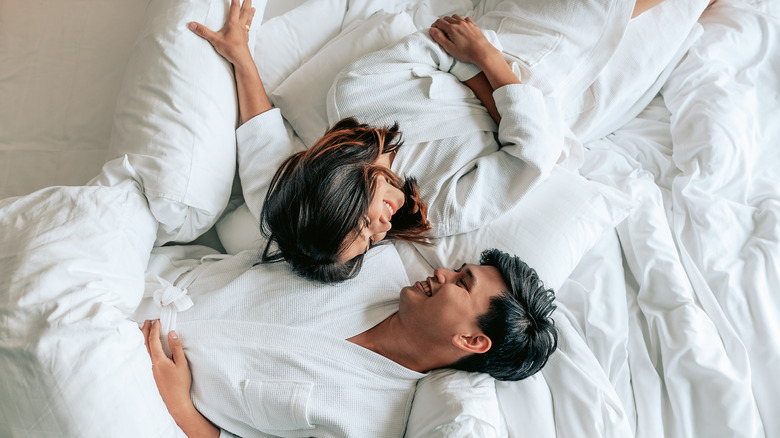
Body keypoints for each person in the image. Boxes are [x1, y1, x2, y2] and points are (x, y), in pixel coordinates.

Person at [188, 0, 642, 283]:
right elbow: (533, 155)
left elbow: (438, 44)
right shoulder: (434, 211)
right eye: (371, 244)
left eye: (364, 228)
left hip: (513, 41)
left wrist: (241, 55)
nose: (382, 233)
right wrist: (486, 69)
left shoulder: (355, 92)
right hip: (569, 92)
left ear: (342, 188)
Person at [139, 246, 558, 438]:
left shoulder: (369, 424)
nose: (445, 272)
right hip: (151, 272)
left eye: (462, 283)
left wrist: (177, 405)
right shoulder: (375, 260)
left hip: (143, 393)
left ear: (471, 339)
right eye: (458, 268)